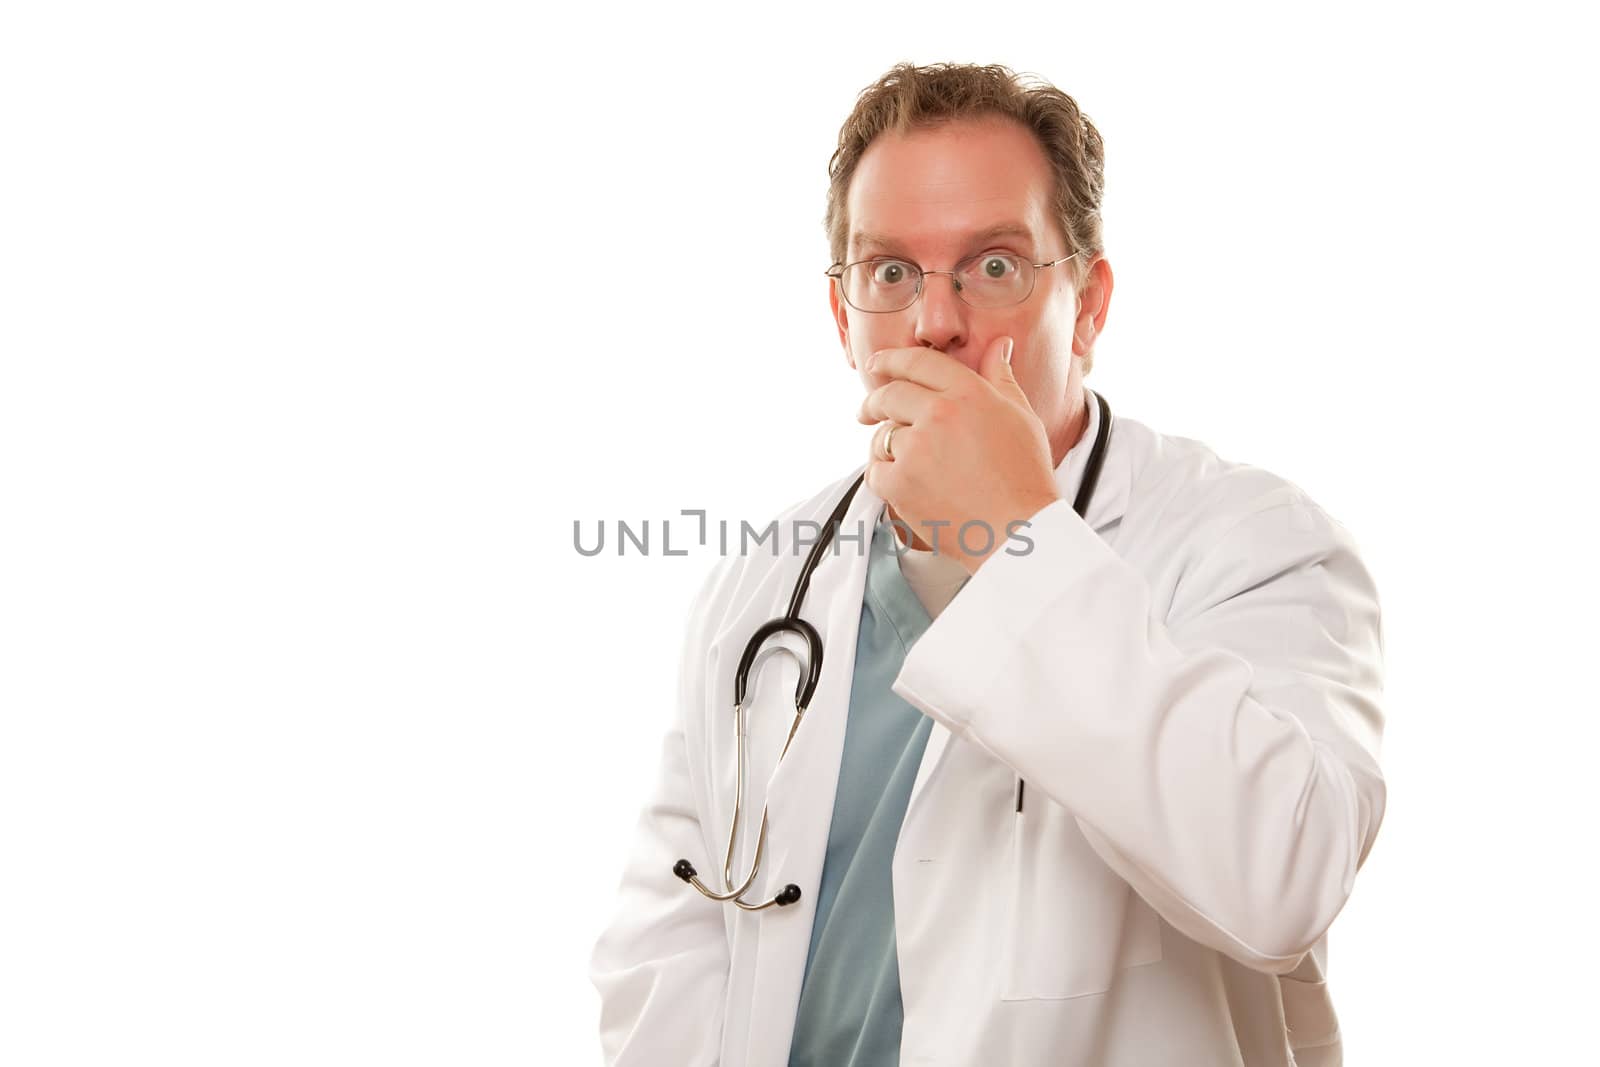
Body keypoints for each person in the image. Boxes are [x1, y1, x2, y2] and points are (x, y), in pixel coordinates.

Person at [588, 61, 1386, 1067]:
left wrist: (1015, 532)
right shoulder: (764, 583)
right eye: (889, 272)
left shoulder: (1253, 543)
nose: (935, 322)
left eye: (995, 264)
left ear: (1088, 306)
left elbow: (1284, 876)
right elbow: (667, 939)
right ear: (843, 319)